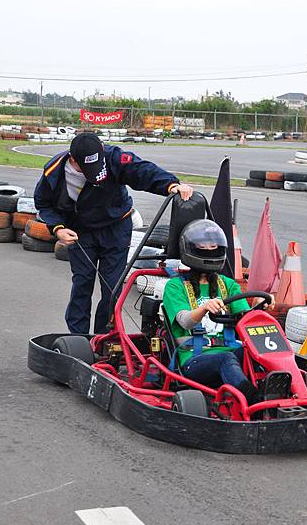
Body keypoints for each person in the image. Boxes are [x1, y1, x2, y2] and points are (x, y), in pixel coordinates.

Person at [34, 132, 193, 334]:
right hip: (81, 230)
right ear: (73, 159)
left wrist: (171, 184)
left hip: (116, 227)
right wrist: (58, 228)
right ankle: (78, 338)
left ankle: (105, 338)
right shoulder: (54, 171)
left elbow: (141, 170)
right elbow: (43, 204)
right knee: (82, 284)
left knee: (112, 288)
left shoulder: (113, 157)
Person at [162, 219, 275, 405]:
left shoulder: (228, 284)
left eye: (213, 245)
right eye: (203, 245)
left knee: (260, 352)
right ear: (190, 248)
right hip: (194, 358)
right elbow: (184, 321)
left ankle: (291, 391)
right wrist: (204, 308)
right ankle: (253, 399)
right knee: (226, 358)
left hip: (231, 349)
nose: (209, 248)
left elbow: (244, 320)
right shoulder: (175, 286)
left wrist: (260, 307)